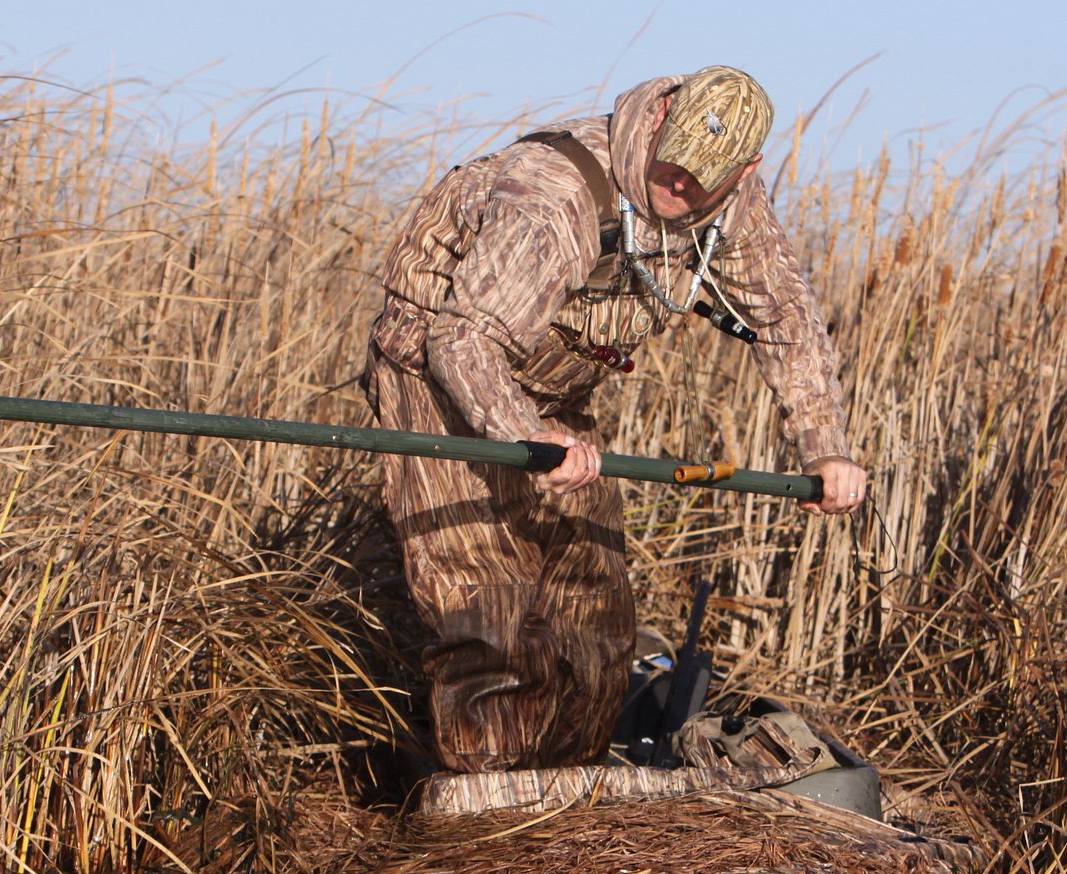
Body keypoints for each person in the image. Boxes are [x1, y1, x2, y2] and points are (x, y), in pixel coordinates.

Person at [363, 66, 867, 775]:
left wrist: (826, 449)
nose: (681, 185)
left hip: (554, 394)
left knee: (595, 615)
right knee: (492, 608)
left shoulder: (736, 204)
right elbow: (463, 340)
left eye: (703, 177)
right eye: (675, 162)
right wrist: (526, 433)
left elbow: (786, 319)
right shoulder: (556, 194)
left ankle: (567, 793)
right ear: (659, 116)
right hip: (435, 376)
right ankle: (485, 805)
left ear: (745, 169)